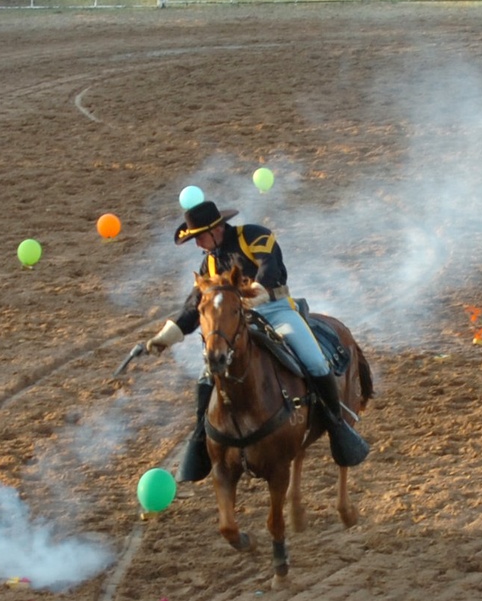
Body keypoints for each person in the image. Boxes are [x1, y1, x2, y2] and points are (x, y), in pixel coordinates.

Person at [144, 200, 369, 481]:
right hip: (236, 322)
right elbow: (194, 306)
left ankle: (337, 426)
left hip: (275, 310)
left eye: (199, 237)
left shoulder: (255, 236)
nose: (198, 244)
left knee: (314, 360)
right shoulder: (209, 263)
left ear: (215, 230)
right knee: (206, 377)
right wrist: (166, 337)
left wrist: (255, 294)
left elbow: (269, 269)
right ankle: (201, 436)